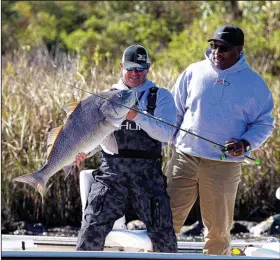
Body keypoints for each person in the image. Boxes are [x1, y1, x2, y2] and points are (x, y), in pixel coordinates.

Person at [166, 25, 274, 255]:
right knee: (164, 221)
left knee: (217, 232)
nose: (217, 51)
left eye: (223, 48)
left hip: (223, 166)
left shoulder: (255, 84)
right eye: (214, 45)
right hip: (183, 158)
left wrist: (245, 143)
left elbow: (265, 123)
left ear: (239, 50)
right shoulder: (193, 71)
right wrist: (164, 140)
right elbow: (173, 111)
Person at [76, 44, 177, 252]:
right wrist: (83, 151)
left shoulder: (161, 96)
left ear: (148, 67)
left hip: (148, 177)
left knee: (165, 237)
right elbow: (97, 135)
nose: (135, 73)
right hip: (111, 176)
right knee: (90, 230)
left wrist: (137, 116)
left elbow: (166, 134)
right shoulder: (105, 97)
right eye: (130, 68)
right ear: (121, 66)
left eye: (140, 68)